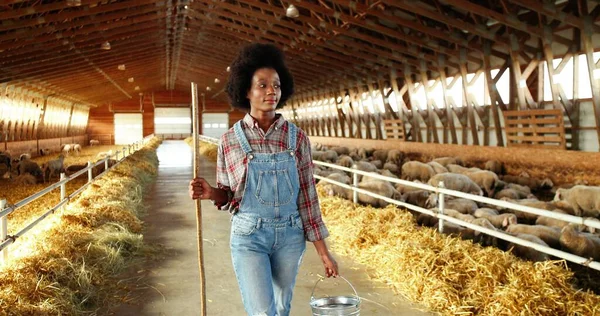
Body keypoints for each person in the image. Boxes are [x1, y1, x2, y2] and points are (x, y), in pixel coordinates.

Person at [188, 43, 338, 316]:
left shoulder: (297, 138)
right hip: (249, 235)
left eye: (277, 85)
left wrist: (323, 251)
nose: (272, 91)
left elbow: (307, 197)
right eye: (263, 85)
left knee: (281, 308)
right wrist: (211, 193)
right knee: (262, 312)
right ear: (246, 90)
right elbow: (229, 196)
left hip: (291, 236)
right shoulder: (230, 141)